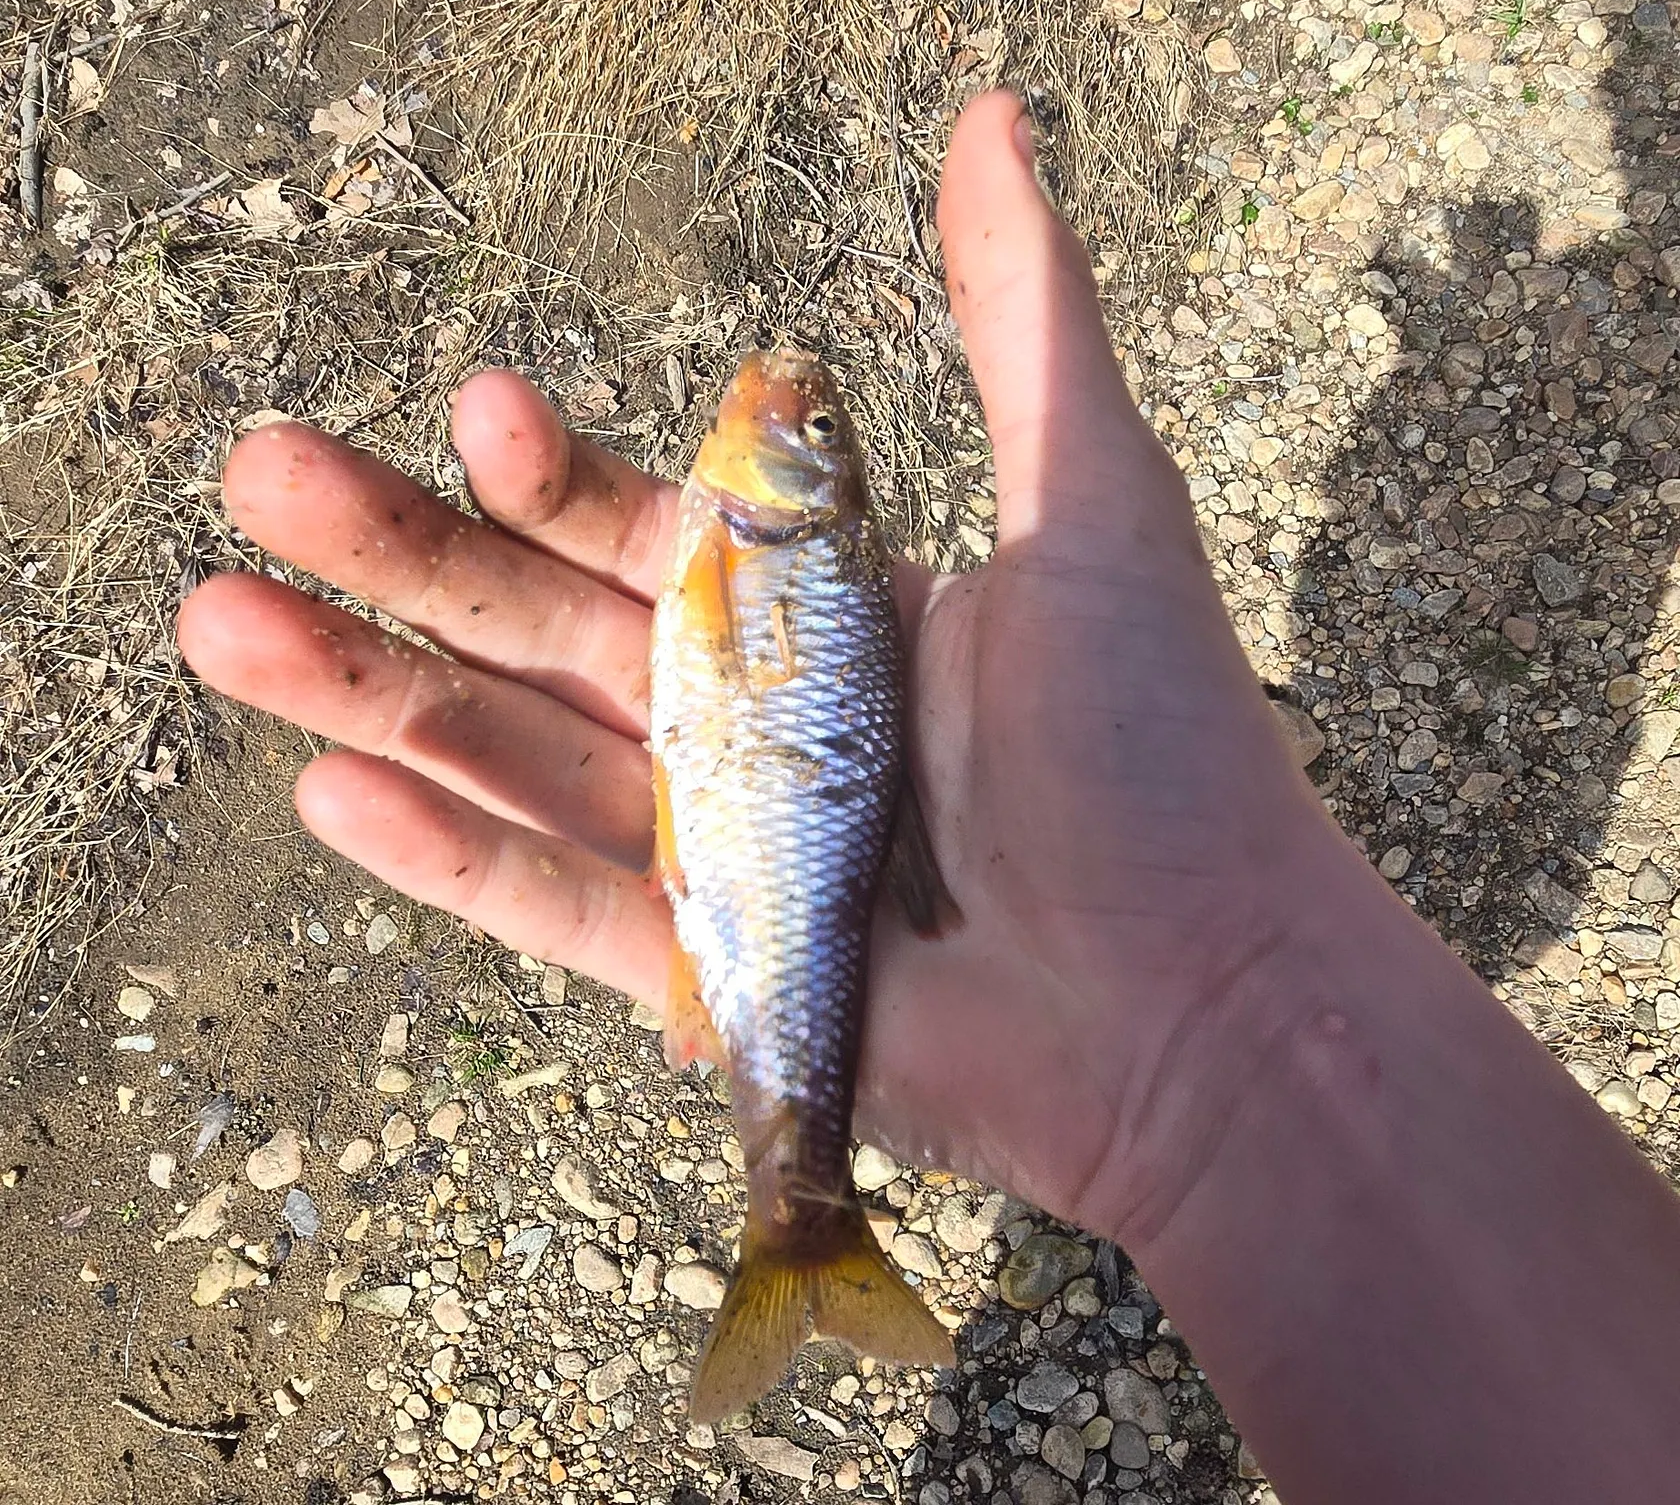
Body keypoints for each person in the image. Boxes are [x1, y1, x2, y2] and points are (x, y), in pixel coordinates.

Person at [177, 92, 1680, 1503]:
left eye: (810, 430)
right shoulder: (754, 546)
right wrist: (1242, 1059)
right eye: (812, 426)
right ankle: (801, 1216)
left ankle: (802, 1220)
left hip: (761, 834)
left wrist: (1234, 1063)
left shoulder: (752, 545)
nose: (785, 404)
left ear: (797, 496)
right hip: (772, 834)